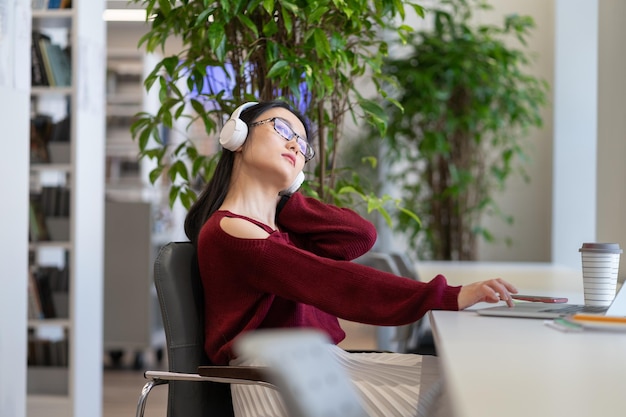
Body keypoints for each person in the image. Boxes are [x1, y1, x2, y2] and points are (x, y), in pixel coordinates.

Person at [184, 100, 518, 417]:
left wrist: (284, 201)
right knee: (463, 388)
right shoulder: (232, 231)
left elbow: (358, 236)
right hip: (278, 381)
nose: (296, 146)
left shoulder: (278, 232)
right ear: (237, 137)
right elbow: (337, 283)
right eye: (283, 130)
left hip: (316, 365)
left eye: (302, 143)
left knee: (462, 375)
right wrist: (448, 295)